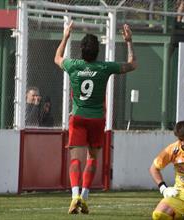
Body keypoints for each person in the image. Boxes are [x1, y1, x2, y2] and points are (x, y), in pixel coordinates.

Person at [54, 21, 137, 214]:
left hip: (78, 117)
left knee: (76, 159)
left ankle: (75, 194)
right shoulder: (104, 67)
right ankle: (84, 196)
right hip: (97, 119)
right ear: (97, 51)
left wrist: (66, 36)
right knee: (92, 157)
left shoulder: (73, 65)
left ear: (82, 50)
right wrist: (129, 41)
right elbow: (133, 65)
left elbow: (57, 57)